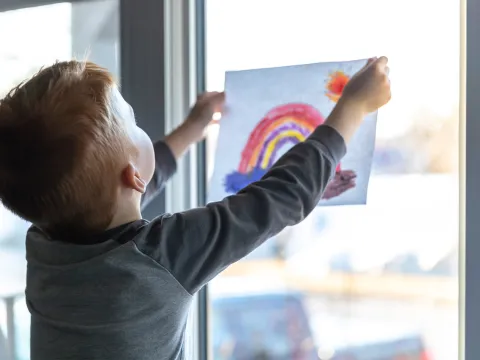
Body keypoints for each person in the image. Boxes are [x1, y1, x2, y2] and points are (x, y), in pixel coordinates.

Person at [0, 56, 390, 360]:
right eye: (135, 124)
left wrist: (192, 128)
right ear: (132, 174)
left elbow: (118, 191)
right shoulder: (160, 257)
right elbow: (280, 198)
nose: (142, 131)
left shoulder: (47, 241)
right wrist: (352, 106)